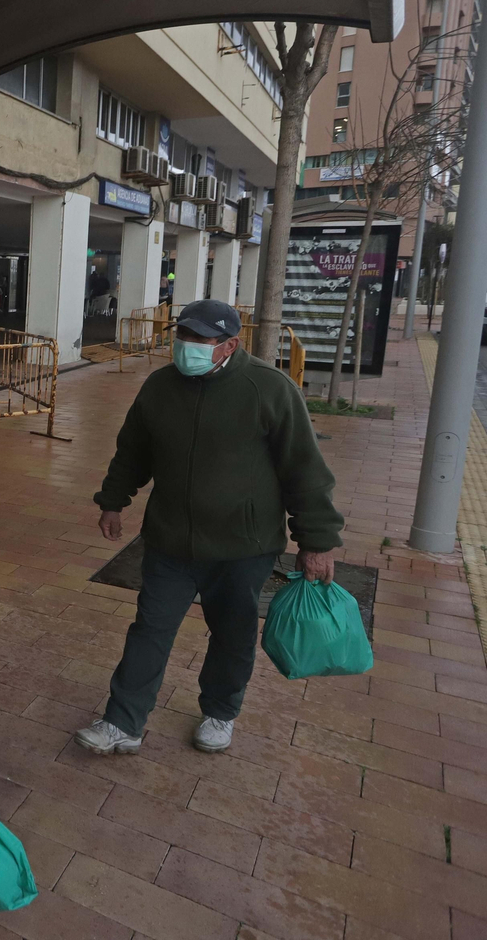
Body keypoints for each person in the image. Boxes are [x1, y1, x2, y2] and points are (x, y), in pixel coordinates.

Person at [76, 299, 344, 756]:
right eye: (182, 336)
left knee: (233, 633)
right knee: (150, 628)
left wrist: (316, 541)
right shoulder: (160, 387)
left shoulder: (270, 389)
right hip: (170, 540)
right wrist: (113, 502)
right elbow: (133, 451)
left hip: (243, 546)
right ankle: (123, 721)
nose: (186, 347)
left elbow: (305, 470)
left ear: (229, 345)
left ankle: (221, 713)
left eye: (199, 340)